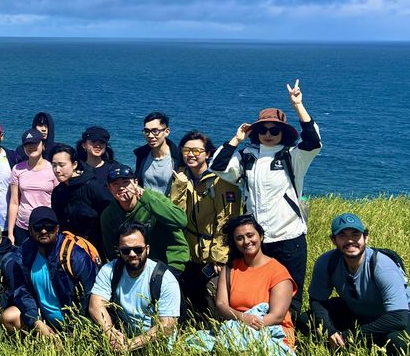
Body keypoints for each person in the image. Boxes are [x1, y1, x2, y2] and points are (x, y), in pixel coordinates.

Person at [210, 80, 321, 316]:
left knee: (290, 298)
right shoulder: (247, 157)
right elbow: (217, 165)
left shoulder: (293, 156)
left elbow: (313, 141)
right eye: (263, 130)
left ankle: (288, 335)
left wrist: (298, 105)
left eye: (274, 130)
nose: (268, 134)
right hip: (256, 241)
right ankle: (260, 335)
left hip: (289, 237)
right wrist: (236, 139)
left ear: (283, 133)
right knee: (257, 295)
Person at [305, 213, 410, 356]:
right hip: (360, 312)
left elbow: (398, 318)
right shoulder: (327, 262)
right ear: (334, 240)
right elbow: (317, 301)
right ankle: (351, 346)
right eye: (342, 235)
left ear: (365, 237)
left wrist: (349, 336)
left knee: (399, 342)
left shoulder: (382, 265)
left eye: (355, 235)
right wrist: (329, 330)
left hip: (405, 314)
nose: (350, 240)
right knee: (305, 320)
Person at [169, 131, 241, 318]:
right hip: (189, 251)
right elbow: (176, 214)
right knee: (191, 301)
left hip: (212, 253)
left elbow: (227, 220)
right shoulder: (182, 177)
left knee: (213, 300)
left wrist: (219, 256)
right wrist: (179, 186)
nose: (190, 155)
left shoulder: (220, 181)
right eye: (186, 150)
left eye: (196, 151)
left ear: (208, 154)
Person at [88, 223, 181, 352]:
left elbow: (167, 325)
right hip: (122, 338)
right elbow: (95, 305)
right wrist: (110, 333)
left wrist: (130, 345)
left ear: (147, 249)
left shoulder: (165, 280)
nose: (132, 254)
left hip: (157, 347)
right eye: (125, 250)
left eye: (138, 249)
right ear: (119, 250)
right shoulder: (110, 270)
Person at [12, 207, 99, 338]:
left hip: (77, 327)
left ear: (57, 229)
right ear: (30, 230)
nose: (43, 231)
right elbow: (22, 291)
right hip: (45, 324)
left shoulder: (75, 256)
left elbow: (91, 296)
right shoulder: (24, 254)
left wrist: (74, 333)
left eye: (49, 227)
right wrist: (35, 321)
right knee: (9, 317)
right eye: (38, 227)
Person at [215, 215, 297, 350]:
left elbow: (277, 316)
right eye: (240, 238)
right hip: (238, 327)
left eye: (250, 235)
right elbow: (221, 304)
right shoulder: (229, 269)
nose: (246, 241)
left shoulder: (278, 271)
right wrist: (243, 319)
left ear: (261, 236)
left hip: (270, 329)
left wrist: (249, 326)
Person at [100, 165, 189, 274]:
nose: (121, 187)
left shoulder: (152, 198)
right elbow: (111, 250)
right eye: (115, 184)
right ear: (109, 189)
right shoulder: (108, 214)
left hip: (169, 260)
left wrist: (146, 199)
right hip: (136, 264)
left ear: (136, 182)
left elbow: (181, 221)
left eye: (126, 182)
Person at [50, 144, 112, 254]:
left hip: (97, 248)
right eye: (54, 165)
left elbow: (112, 214)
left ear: (74, 165)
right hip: (69, 249)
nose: (57, 170)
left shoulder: (93, 186)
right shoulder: (58, 192)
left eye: (61, 165)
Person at [7, 129, 57, 246]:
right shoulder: (17, 169)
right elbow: (14, 202)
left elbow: (58, 201)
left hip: (46, 227)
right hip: (22, 227)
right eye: (27, 144)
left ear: (43, 145)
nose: (31, 147)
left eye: (35, 143)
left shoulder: (53, 169)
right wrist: (10, 232)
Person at [133, 112, 181, 196]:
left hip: (168, 204)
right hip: (144, 203)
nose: (150, 136)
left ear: (166, 132)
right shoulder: (142, 155)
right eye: (146, 131)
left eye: (155, 131)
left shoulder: (178, 157)